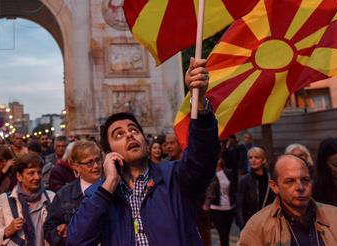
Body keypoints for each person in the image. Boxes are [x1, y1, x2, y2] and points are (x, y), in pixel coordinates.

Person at [67, 58, 220, 245]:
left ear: (144, 140)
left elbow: (202, 156)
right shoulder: (99, 194)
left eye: (134, 130)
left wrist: (200, 102)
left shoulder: (175, 177)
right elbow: (77, 240)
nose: (130, 135)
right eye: (119, 134)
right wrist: (109, 184)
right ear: (108, 153)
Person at [238, 154, 337, 245]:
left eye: (305, 180)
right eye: (289, 181)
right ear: (274, 186)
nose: (300, 187)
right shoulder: (258, 226)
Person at [0, 151, 56, 246]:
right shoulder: (4, 201)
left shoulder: (51, 198)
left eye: (39, 172)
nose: (37, 177)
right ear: (19, 176)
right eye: (31, 173)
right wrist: (7, 231)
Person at [44, 140, 102, 245]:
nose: (96, 166)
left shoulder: (111, 188)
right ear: (76, 166)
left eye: (98, 160)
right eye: (90, 163)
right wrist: (60, 232)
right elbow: (49, 230)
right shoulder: (64, 195)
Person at [236, 146, 274, 228]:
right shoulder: (244, 180)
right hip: (251, 224)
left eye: (257, 157)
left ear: (263, 160)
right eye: (250, 158)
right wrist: (243, 225)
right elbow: (239, 205)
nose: (253, 160)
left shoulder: (271, 178)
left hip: (269, 223)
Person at [205, 156, 236, 246]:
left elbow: (234, 188)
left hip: (229, 208)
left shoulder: (228, 172)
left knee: (226, 234)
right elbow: (208, 190)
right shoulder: (210, 174)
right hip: (216, 208)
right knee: (222, 233)